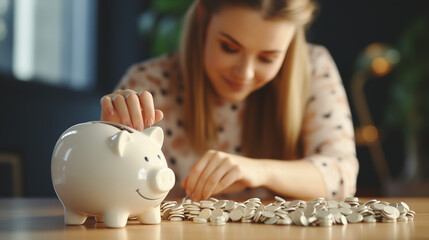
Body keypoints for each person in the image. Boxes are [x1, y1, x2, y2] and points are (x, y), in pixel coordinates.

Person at [99, 0, 359, 202]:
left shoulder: (314, 68)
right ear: (203, 16)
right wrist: (103, 147)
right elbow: (102, 196)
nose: (244, 73)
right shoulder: (149, 83)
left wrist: (259, 171)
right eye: (229, 48)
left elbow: (342, 174)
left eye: (267, 58)